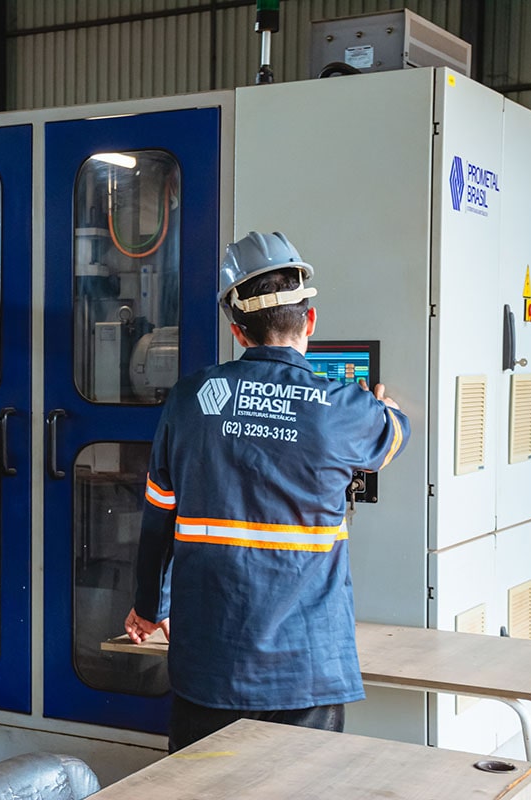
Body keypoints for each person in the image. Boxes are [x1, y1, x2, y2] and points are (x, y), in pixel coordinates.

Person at [124, 231, 410, 753]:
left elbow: (157, 519)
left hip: (210, 662)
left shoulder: (191, 400)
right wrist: (378, 406)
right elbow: (396, 432)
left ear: (237, 331)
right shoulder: (342, 407)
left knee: (200, 791)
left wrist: (148, 605)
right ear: (310, 321)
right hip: (307, 665)